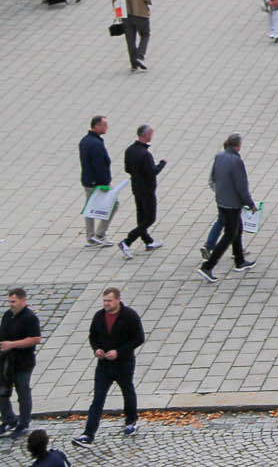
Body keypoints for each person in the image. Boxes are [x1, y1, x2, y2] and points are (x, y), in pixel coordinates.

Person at [74, 288, 143, 446]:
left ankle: (131, 420)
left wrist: (119, 352)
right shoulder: (99, 316)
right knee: (97, 399)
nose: (106, 303)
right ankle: (88, 434)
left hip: (123, 364)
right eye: (104, 300)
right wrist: (96, 348)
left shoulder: (129, 316)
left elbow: (139, 338)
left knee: (127, 391)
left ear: (118, 300)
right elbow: (93, 335)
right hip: (104, 365)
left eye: (109, 300)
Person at [197, 133, 255, 281]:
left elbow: (214, 177)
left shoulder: (219, 156)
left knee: (238, 229)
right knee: (229, 234)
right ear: (238, 145)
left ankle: (239, 260)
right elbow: (241, 186)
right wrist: (250, 203)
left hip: (221, 200)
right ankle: (208, 266)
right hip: (232, 204)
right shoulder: (236, 162)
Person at [0, 288, 41, 440]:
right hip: (7, 361)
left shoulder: (30, 318)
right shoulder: (7, 315)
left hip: (23, 362)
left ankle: (24, 423)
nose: (11, 304)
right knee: (2, 392)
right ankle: (9, 420)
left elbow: (35, 339)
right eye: (9, 301)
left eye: (14, 302)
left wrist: (13, 344)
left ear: (23, 301)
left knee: (23, 392)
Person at [118, 127, 164, 258]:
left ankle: (148, 241)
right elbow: (153, 172)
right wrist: (162, 163)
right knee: (150, 218)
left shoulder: (130, 150)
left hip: (136, 188)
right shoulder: (145, 154)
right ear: (146, 135)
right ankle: (127, 241)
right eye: (151, 134)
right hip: (147, 190)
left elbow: (127, 169)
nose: (152, 136)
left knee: (141, 215)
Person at [79, 116, 113, 247]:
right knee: (113, 204)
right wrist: (104, 183)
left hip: (88, 181)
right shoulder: (96, 144)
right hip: (97, 183)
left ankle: (91, 236)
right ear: (96, 126)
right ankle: (99, 234)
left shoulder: (85, 140)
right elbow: (99, 165)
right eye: (104, 125)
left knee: (90, 208)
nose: (106, 128)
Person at [111, 0, 151, 72]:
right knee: (145, 34)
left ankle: (134, 64)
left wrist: (118, 14)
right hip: (141, 13)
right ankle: (140, 56)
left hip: (126, 15)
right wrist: (148, 3)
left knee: (130, 39)